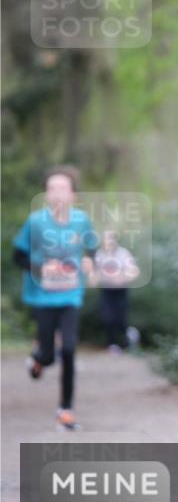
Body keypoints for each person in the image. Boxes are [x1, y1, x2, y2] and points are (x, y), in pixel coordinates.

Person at [12, 166, 98, 431]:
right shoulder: (35, 222)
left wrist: (89, 262)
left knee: (70, 350)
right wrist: (40, 268)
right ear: (46, 194)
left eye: (63, 188)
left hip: (71, 295)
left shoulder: (82, 221)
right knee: (49, 356)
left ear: (73, 195)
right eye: (52, 188)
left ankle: (66, 410)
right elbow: (18, 257)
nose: (58, 193)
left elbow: (92, 250)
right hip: (43, 296)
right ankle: (39, 358)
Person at [93, 229, 140, 352]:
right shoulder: (100, 254)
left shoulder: (123, 254)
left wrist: (122, 278)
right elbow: (96, 273)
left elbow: (134, 271)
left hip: (121, 290)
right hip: (106, 290)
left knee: (121, 319)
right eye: (106, 239)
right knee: (107, 318)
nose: (108, 242)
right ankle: (112, 344)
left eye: (110, 238)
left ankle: (130, 336)